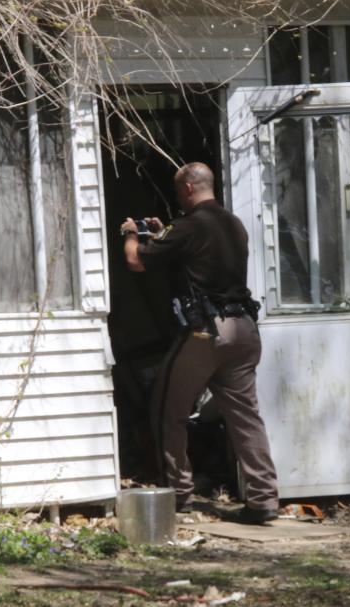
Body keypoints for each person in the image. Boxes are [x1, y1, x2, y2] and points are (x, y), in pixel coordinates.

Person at [120, 162, 279, 525]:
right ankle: (263, 499)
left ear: (189, 189)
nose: (179, 198)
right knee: (245, 416)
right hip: (244, 332)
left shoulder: (190, 226)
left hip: (206, 333)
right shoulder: (233, 224)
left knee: (167, 410)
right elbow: (195, 253)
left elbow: (136, 261)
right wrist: (163, 232)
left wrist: (131, 232)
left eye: (178, 192)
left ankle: (178, 496)